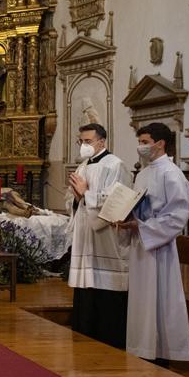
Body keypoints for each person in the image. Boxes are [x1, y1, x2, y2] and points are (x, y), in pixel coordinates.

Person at [117, 122, 189, 364]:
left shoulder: (171, 173)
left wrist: (144, 226)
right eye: (140, 142)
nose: (141, 147)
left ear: (160, 144)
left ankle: (160, 352)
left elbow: (178, 215)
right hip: (142, 242)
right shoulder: (144, 173)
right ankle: (142, 347)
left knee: (160, 298)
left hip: (159, 247)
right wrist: (124, 217)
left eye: (145, 142)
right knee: (142, 299)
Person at [65, 123, 132, 349]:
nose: (83, 146)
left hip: (105, 239)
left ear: (101, 141)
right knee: (86, 289)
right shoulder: (83, 166)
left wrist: (86, 194)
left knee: (106, 292)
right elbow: (72, 200)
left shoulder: (116, 165)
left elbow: (117, 200)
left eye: (88, 141)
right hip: (85, 236)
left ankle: (109, 338)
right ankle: (85, 334)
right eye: (81, 141)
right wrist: (76, 198)